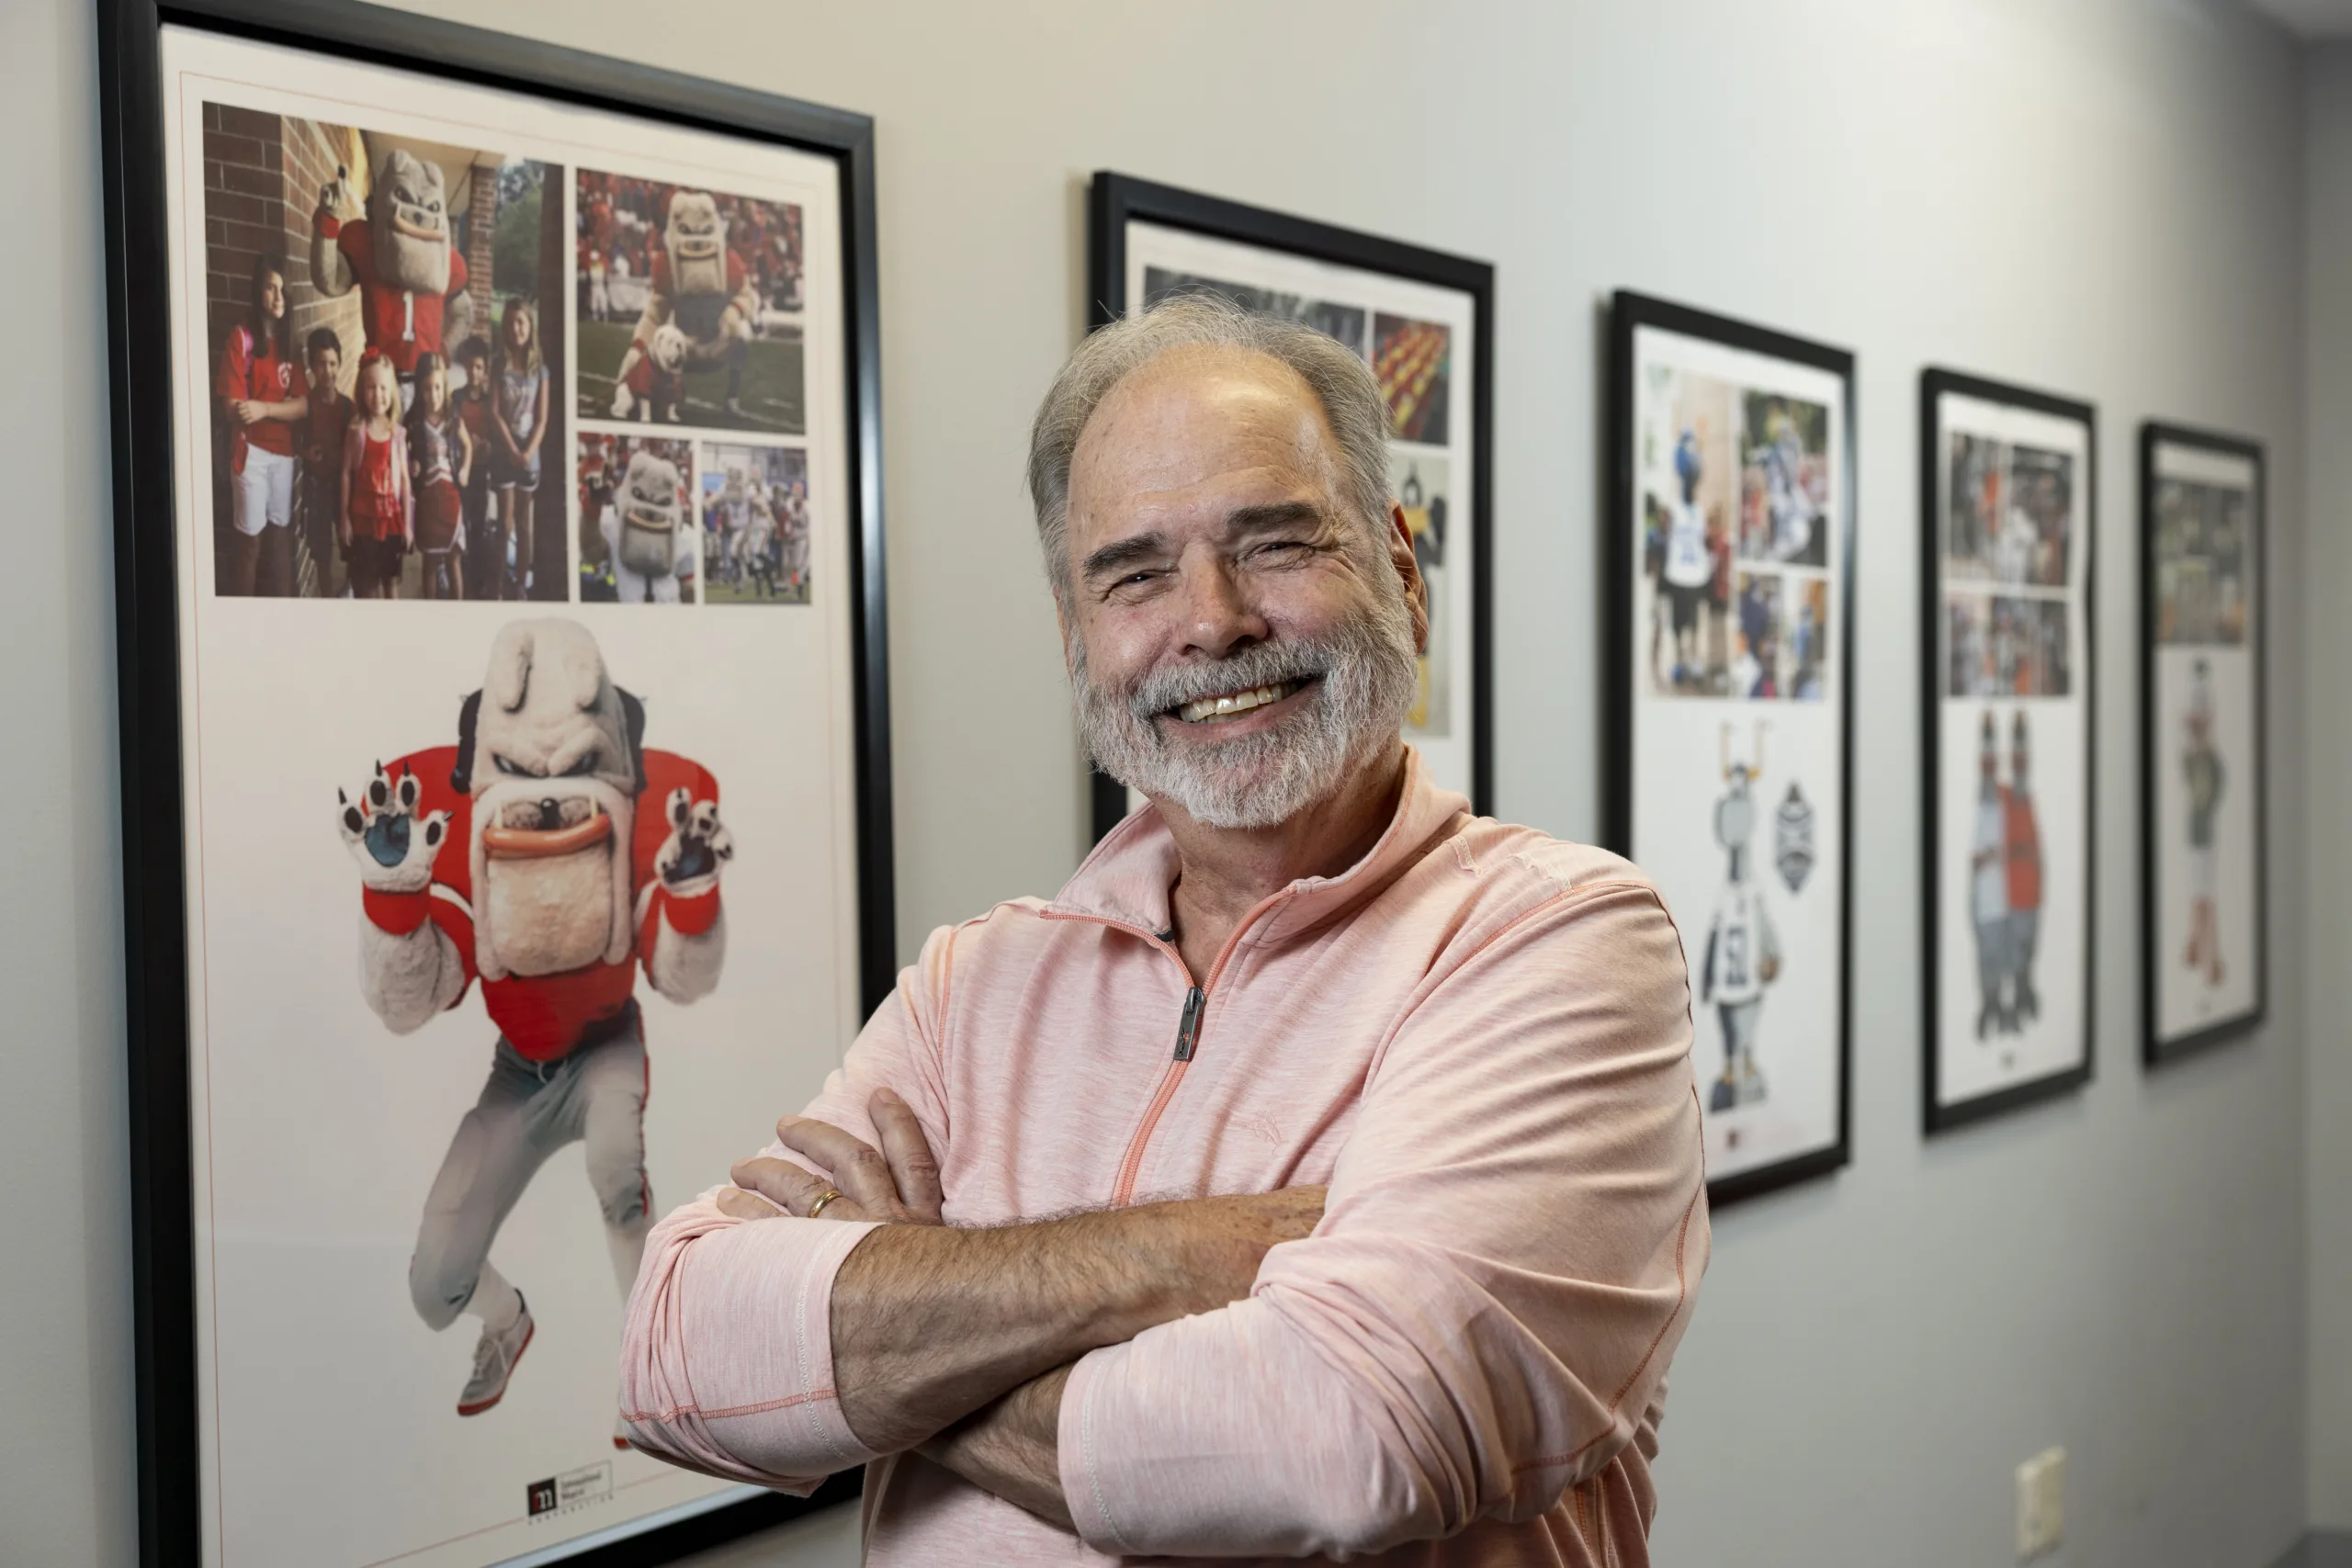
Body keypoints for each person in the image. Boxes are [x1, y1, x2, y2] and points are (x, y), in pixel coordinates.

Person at [616, 295, 1709, 1565]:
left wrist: (897, 1344)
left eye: (1276, 542)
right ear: (1076, 632)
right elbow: (673, 1351)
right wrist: (1203, 1249)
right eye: (1135, 573)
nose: (1212, 619)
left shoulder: (1557, 940)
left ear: (1400, 572)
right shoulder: (975, 981)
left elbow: (1348, 1438)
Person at [216, 254, 309, 597]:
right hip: (250, 454)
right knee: (250, 543)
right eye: (270, 288)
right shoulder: (241, 339)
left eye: (283, 289)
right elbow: (231, 407)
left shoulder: (290, 343)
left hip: (283, 455)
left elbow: (303, 405)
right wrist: (266, 410)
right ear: (258, 291)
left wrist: (264, 408)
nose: (278, 297)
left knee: (280, 538)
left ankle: (283, 615)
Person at [489, 299, 549, 599]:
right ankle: (498, 585)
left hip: (529, 455)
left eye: (521, 322)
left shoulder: (540, 370)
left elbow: (541, 419)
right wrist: (512, 449)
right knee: (505, 523)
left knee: (525, 525)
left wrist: (527, 452)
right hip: (505, 451)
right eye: (511, 323)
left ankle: (521, 584)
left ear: (530, 326)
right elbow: (494, 412)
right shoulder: (498, 364)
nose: (516, 329)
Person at [341, 352, 411, 599]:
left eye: (383, 387)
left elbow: (404, 480)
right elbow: (346, 474)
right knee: (366, 586)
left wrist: (408, 525)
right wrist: (344, 518)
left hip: (391, 519)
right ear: (361, 391)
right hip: (363, 521)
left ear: (392, 392)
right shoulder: (356, 431)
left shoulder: (398, 433)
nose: (378, 394)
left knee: (391, 583)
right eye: (371, 387)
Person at [407, 352, 471, 602]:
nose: (433, 395)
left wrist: (464, 469)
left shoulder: (452, 416)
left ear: (444, 386)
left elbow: (467, 445)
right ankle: (430, 610)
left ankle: (458, 609)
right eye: (427, 389)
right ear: (419, 389)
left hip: (450, 496)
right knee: (431, 561)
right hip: (428, 497)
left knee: (454, 559)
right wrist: (411, 464)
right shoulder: (414, 421)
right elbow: (402, 449)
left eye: (437, 388)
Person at [298, 326, 354, 597]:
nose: (327, 371)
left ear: (340, 364)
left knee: (350, 543)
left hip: (343, 487)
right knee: (321, 551)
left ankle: (350, 589)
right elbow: (295, 441)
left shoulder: (347, 407)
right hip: (317, 485)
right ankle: (327, 596)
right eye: (321, 364)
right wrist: (305, 453)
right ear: (311, 365)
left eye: (332, 363)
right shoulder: (305, 405)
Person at [2184, 660, 2227, 985]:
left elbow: (2213, 793)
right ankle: (2200, 948)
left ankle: (2209, 953)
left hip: (2205, 834)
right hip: (2197, 833)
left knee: (2205, 896)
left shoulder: (2209, 761)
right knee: (2199, 895)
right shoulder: (2193, 759)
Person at [1970, 711, 2011, 1037]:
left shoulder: (2006, 806)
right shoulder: (1977, 812)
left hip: (2003, 899)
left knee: (2001, 956)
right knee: (1986, 958)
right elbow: (1976, 860)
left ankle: (1999, 1005)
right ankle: (1989, 1005)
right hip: (1984, 900)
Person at [2004, 710, 2045, 1023]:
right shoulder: (2004, 799)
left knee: (2028, 951)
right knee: (2018, 950)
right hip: (2015, 896)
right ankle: (2018, 998)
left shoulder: (2028, 801)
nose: (2022, 766)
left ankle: (2024, 994)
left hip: (2031, 895)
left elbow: (2036, 852)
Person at [452, 337, 499, 600]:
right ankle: (458, 573)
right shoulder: (456, 398)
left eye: (479, 367)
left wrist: (487, 445)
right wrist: (466, 442)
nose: (473, 372)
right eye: (470, 366)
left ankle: (476, 578)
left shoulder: (489, 401)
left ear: (485, 371)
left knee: (478, 525)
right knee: (461, 524)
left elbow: (494, 432)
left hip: (481, 472)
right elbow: (451, 432)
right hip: (461, 471)